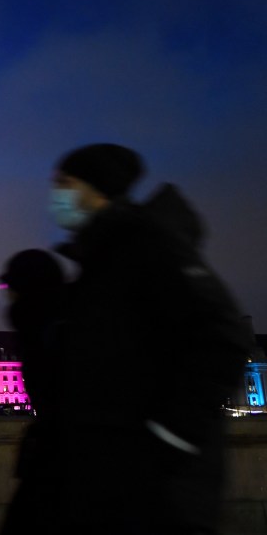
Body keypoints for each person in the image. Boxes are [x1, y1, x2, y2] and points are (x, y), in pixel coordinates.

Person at [44, 142, 251, 534]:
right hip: (114, 479)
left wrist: (167, 440)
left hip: (159, 488)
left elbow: (222, 338)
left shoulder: (148, 245)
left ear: (95, 187)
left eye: (65, 182)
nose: (56, 193)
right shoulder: (99, 259)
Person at [0, 248, 66, 535]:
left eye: (8, 287)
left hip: (66, 463)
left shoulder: (48, 331)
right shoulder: (42, 326)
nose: (5, 294)